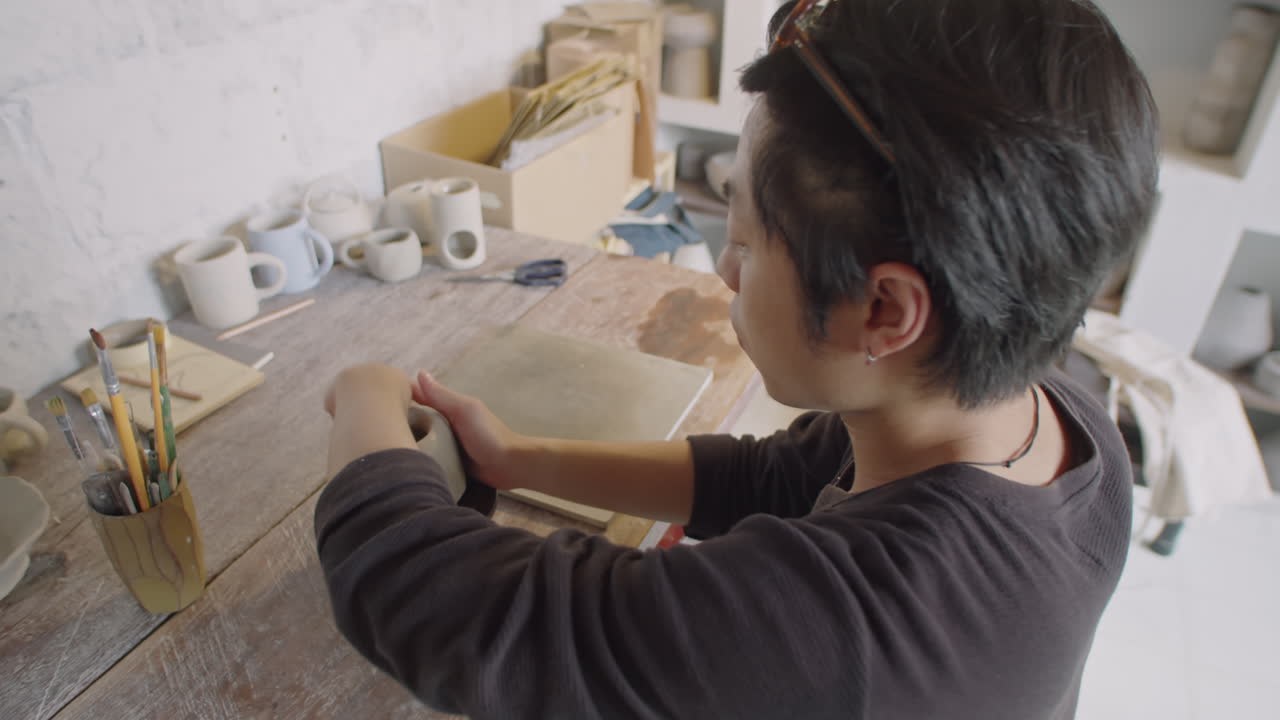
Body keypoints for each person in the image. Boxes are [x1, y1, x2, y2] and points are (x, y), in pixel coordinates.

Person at [315, 0, 1158, 717]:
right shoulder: (1061, 421)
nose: (723, 268)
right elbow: (768, 481)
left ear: (885, 309)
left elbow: (418, 591)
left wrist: (367, 395)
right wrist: (518, 457)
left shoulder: (826, 629)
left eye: (747, 240)